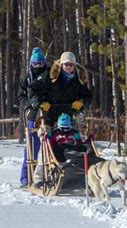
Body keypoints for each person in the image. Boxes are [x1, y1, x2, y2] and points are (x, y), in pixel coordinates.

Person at [28, 51, 92, 188]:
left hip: (67, 119)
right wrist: (40, 102)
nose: (69, 67)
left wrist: (81, 102)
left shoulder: (78, 79)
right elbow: (32, 89)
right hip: (49, 118)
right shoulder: (51, 76)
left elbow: (88, 96)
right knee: (46, 146)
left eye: (72, 65)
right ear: (61, 64)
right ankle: (39, 178)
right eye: (66, 64)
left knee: (74, 143)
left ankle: (78, 174)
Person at [18, 47, 49, 188]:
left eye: (41, 64)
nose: (38, 67)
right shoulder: (26, 78)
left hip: (47, 113)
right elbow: (21, 96)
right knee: (31, 145)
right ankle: (25, 177)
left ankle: (47, 175)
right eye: (35, 64)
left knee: (49, 144)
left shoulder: (50, 76)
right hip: (32, 114)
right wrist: (30, 103)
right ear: (31, 64)